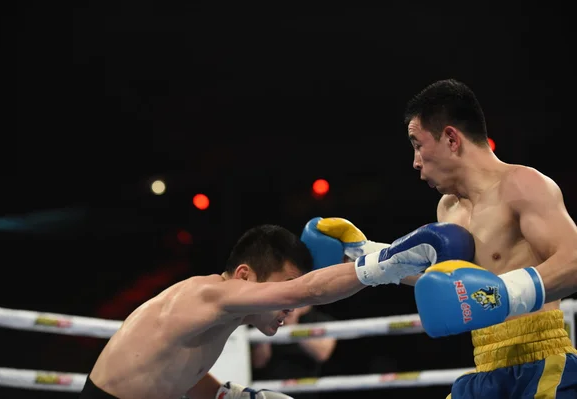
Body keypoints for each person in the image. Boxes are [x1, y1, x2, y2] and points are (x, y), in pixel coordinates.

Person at [302, 79, 577, 398]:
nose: (415, 162)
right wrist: (370, 251)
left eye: (418, 144)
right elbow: (451, 283)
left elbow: (573, 261)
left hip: (542, 363)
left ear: (450, 138)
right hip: (485, 368)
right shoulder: (448, 208)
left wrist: (501, 293)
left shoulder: (522, 185)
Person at [81, 214, 475, 398]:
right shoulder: (208, 295)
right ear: (244, 276)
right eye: (285, 284)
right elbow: (307, 293)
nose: (289, 305)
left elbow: (176, 370)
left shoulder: (212, 316)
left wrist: (229, 396)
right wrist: (384, 263)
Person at [251, 305, 337, 399]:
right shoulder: (272, 319)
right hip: (269, 390)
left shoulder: (320, 320)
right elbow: (258, 363)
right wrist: (265, 331)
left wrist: (293, 327)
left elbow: (322, 354)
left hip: (304, 392)